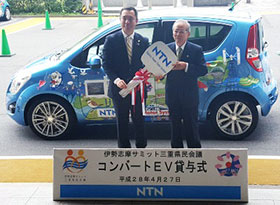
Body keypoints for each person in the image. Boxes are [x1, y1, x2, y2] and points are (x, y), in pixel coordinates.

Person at [102, 7, 149, 148]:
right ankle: (123, 151)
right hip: (119, 89)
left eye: (131, 18)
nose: (127, 22)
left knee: (139, 120)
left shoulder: (143, 41)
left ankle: (141, 149)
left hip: (138, 90)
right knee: (121, 122)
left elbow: (148, 63)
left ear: (136, 21)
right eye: (124, 18)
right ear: (120, 20)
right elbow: (106, 64)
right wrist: (116, 80)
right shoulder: (111, 40)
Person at [166, 19, 207, 148]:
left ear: (188, 34)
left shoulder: (196, 49)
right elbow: (160, 70)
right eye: (176, 31)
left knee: (191, 128)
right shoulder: (167, 49)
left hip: (189, 97)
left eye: (182, 32)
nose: (178, 34)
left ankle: (195, 157)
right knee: (175, 129)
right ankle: (176, 156)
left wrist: (186, 66)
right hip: (172, 95)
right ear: (172, 33)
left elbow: (202, 70)